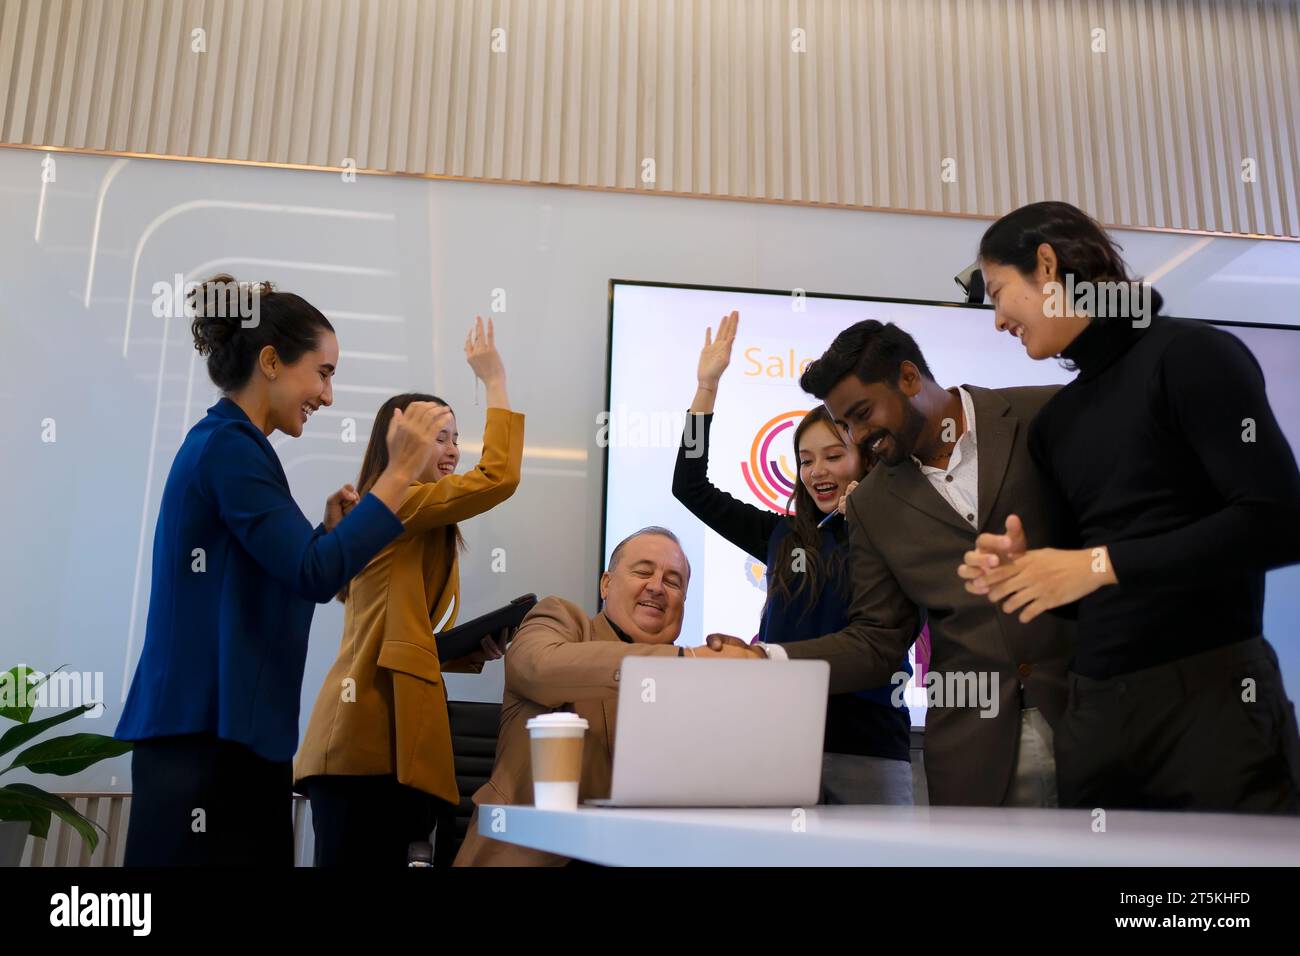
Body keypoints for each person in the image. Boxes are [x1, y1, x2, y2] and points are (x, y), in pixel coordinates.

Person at [964, 200, 1300, 813]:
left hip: (1213, 698)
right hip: (1096, 710)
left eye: (997, 293)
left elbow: (1278, 521)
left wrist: (1097, 565)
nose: (997, 322)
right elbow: (1084, 581)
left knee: (1213, 909)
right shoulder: (1056, 423)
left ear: (1046, 264)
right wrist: (1029, 571)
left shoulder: (1193, 356)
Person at [116, 274, 447, 866]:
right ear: (271, 361)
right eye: (323, 373)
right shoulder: (229, 448)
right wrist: (396, 475)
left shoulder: (236, 446)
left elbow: (295, 566)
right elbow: (314, 574)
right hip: (205, 742)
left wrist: (326, 533)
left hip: (224, 739)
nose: (327, 395)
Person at [707, 320, 1075, 808]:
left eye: (862, 415)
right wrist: (766, 659)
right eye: (847, 426)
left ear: (908, 378)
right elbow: (878, 640)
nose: (860, 435)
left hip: (1097, 724)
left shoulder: (1043, 413)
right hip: (974, 756)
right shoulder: (872, 506)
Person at [295, 316, 526, 865]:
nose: (451, 451)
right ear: (399, 443)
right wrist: (493, 379)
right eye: (437, 437)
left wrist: (458, 651)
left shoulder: (393, 514)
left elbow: (388, 627)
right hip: (366, 747)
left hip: (376, 745)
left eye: (455, 439)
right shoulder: (401, 503)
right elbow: (500, 476)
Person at [672, 310, 916, 804]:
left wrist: (869, 514)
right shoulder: (780, 534)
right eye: (806, 460)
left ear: (866, 455)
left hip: (870, 748)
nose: (817, 471)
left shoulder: (898, 528)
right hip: (776, 744)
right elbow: (689, 487)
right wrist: (706, 390)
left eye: (833, 455)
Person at [456, 527, 708, 866]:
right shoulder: (562, 622)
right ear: (606, 584)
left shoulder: (696, 685)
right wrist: (683, 662)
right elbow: (538, 668)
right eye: (643, 571)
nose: (657, 586)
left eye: (673, 581)